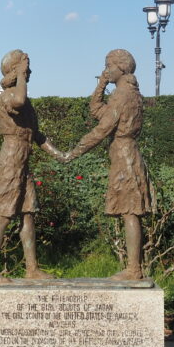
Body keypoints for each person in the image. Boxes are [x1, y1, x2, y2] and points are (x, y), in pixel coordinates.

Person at [62, 50, 154, 280]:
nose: (105, 70)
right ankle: (134, 267)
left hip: (125, 157)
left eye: (107, 66)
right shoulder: (127, 93)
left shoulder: (122, 94)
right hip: (125, 154)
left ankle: (134, 269)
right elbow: (97, 112)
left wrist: (74, 152)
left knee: (130, 211)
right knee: (129, 211)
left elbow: (102, 129)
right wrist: (101, 84)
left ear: (121, 67)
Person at [0, 49, 65, 283]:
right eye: (26, 68)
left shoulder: (27, 104)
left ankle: (32, 268)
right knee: (4, 214)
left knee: (28, 214)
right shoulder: (10, 95)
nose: (29, 72)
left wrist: (60, 154)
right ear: (16, 70)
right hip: (10, 160)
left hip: (23, 161)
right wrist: (19, 74)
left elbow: (37, 135)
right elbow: (18, 99)